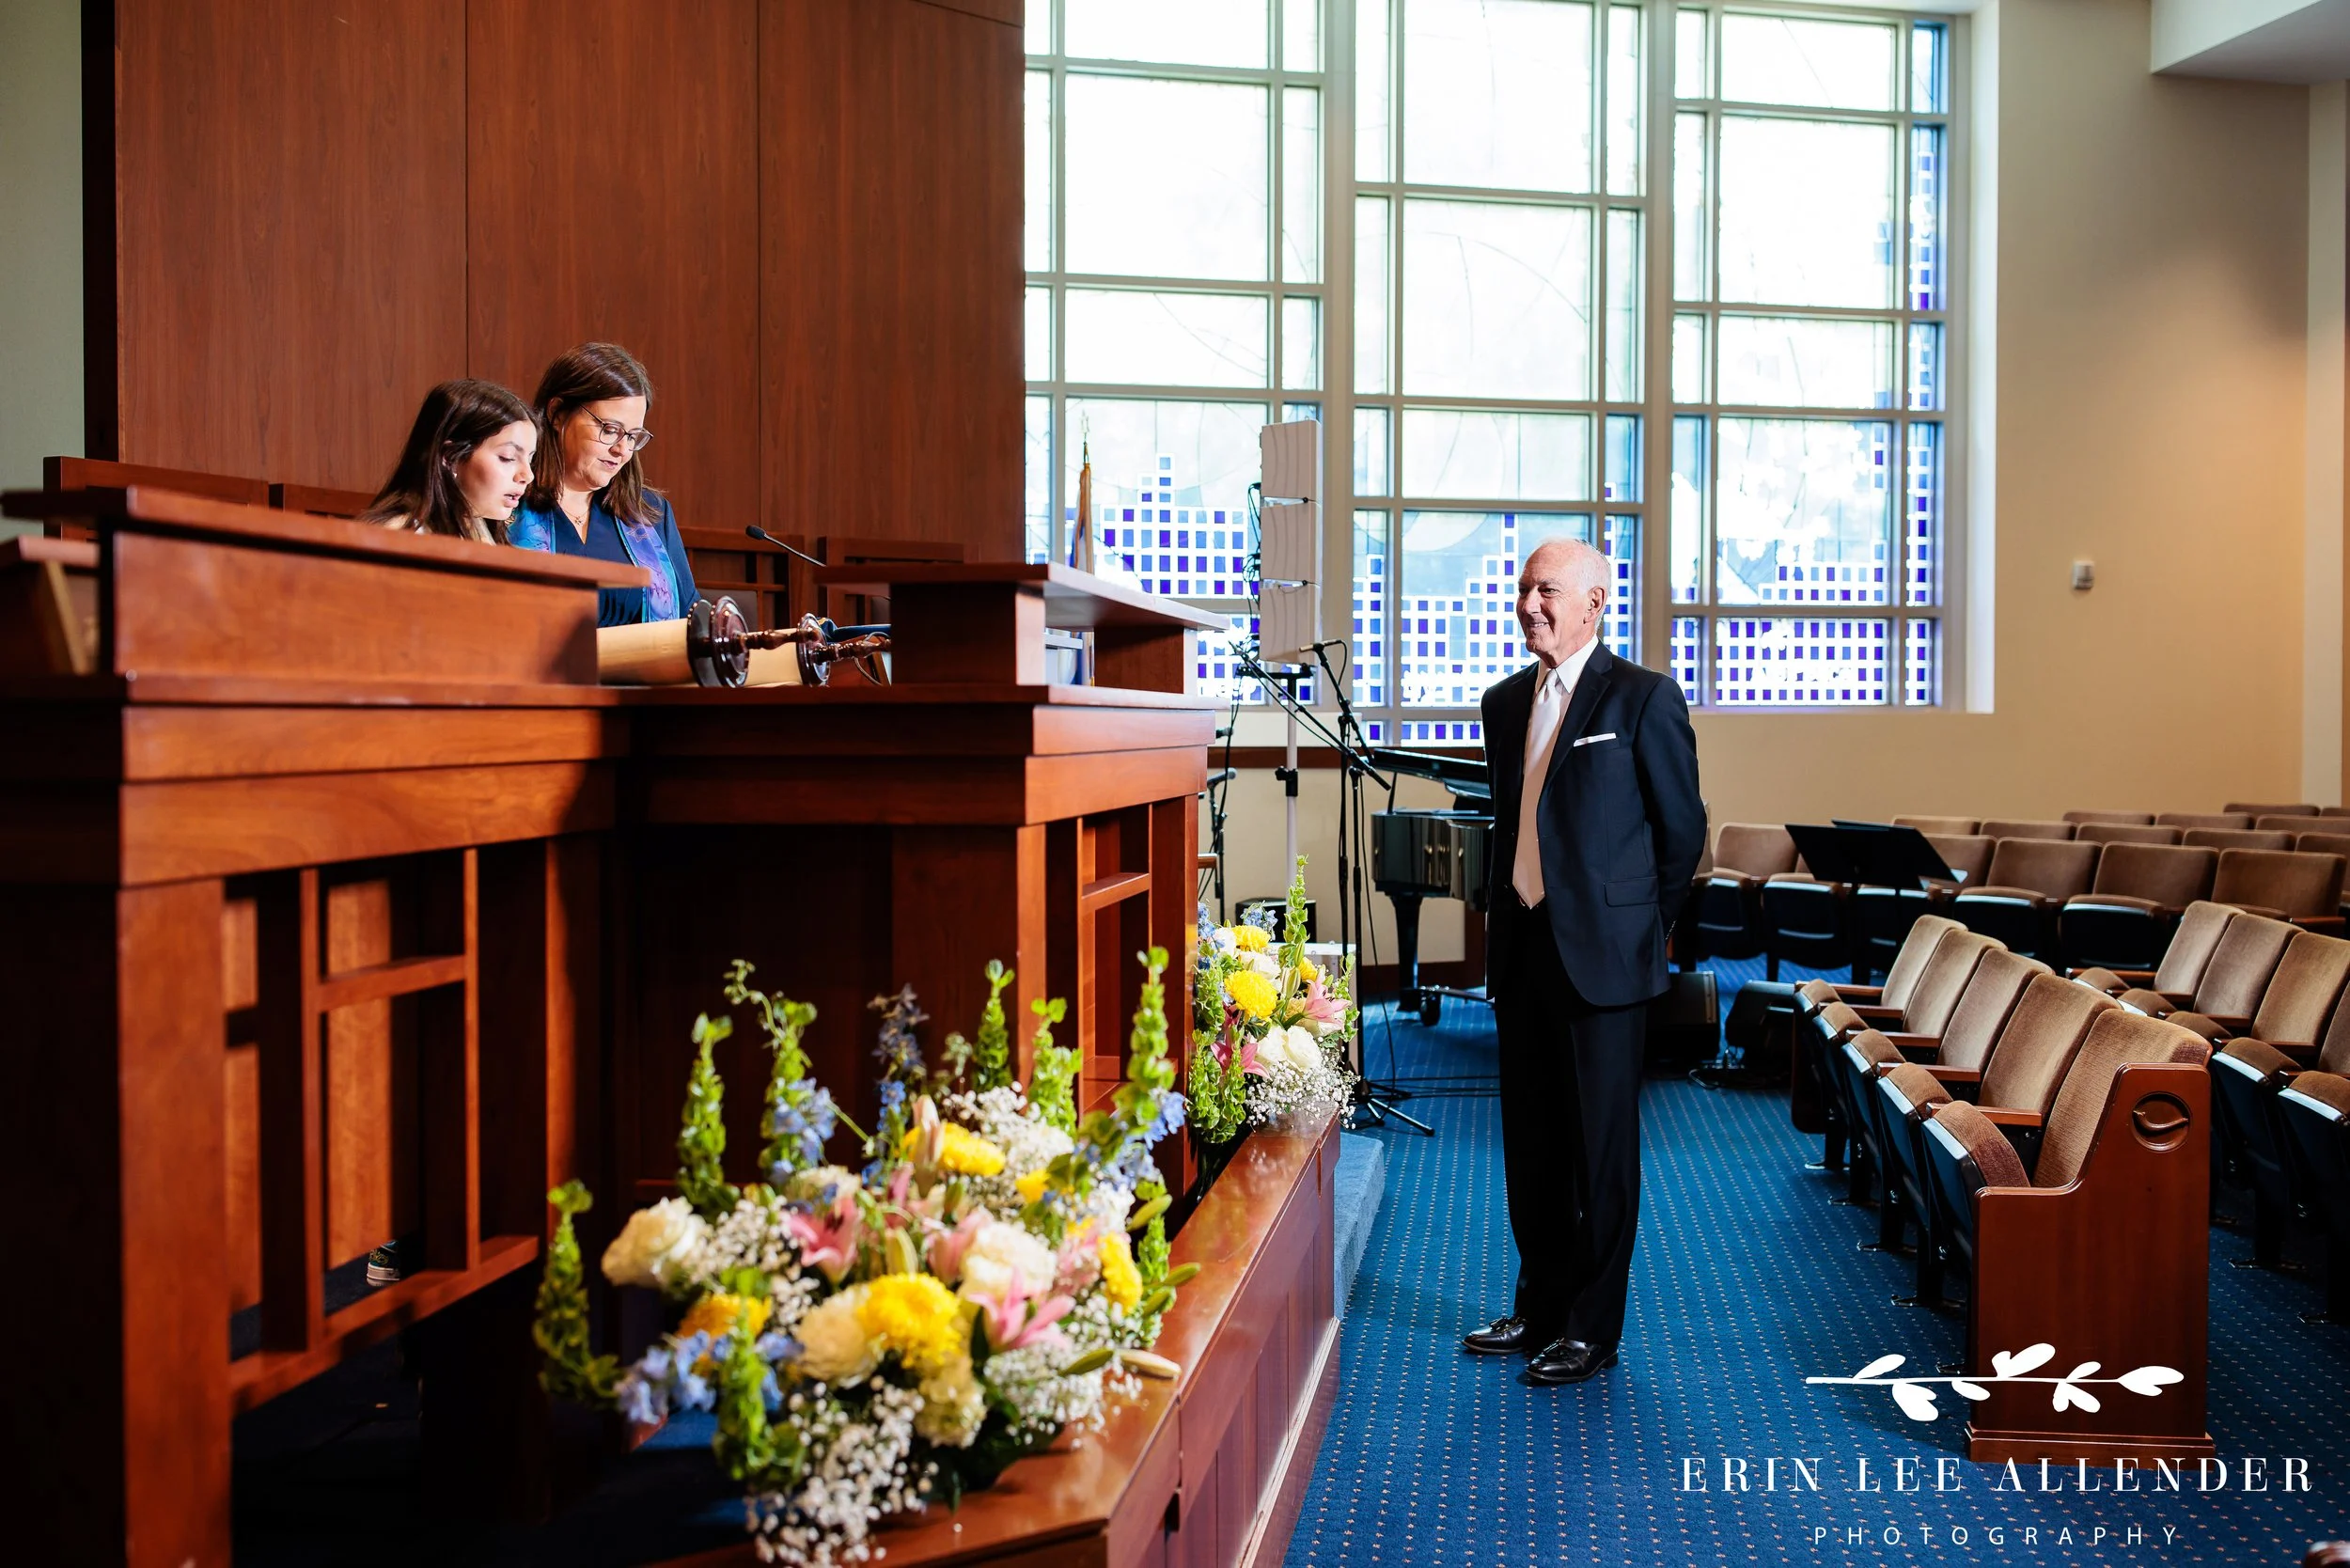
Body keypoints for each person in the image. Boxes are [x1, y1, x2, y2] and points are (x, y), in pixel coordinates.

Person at [1463, 537, 1704, 1387]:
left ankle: (1592, 1328)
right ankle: (1539, 1307)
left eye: (1550, 590)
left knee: (1600, 1156)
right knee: (1530, 1147)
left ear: (1597, 602)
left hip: (1605, 964)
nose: (1532, 603)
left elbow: (1682, 836)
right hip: (1522, 952)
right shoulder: (1501, 704)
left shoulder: (1643, 698)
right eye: (1525, 588)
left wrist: (1643, 929)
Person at [506, 341, 698, 625]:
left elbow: (690, 622)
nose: (623, 450)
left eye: (633, 436)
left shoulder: (650, 513)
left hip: (638, 669)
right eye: (610, 430)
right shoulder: (508, 500)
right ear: (557, 413)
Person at [357, 379, 539, 543]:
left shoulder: (479, 529)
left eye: (530, 459)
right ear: (451, 456)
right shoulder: (397, 536)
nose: (528, 475)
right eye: (507, 457)